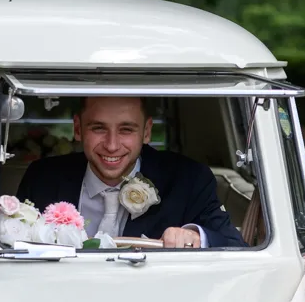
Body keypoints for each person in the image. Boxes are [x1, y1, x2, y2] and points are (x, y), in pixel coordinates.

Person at [15, 96, 246, 248]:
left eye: (126, 129)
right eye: (98, 128)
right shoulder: (42, 178)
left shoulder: (188, 179)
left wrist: (195, 236)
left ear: (146, 132)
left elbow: (233, 244)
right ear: (78, 129)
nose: (112, 145)